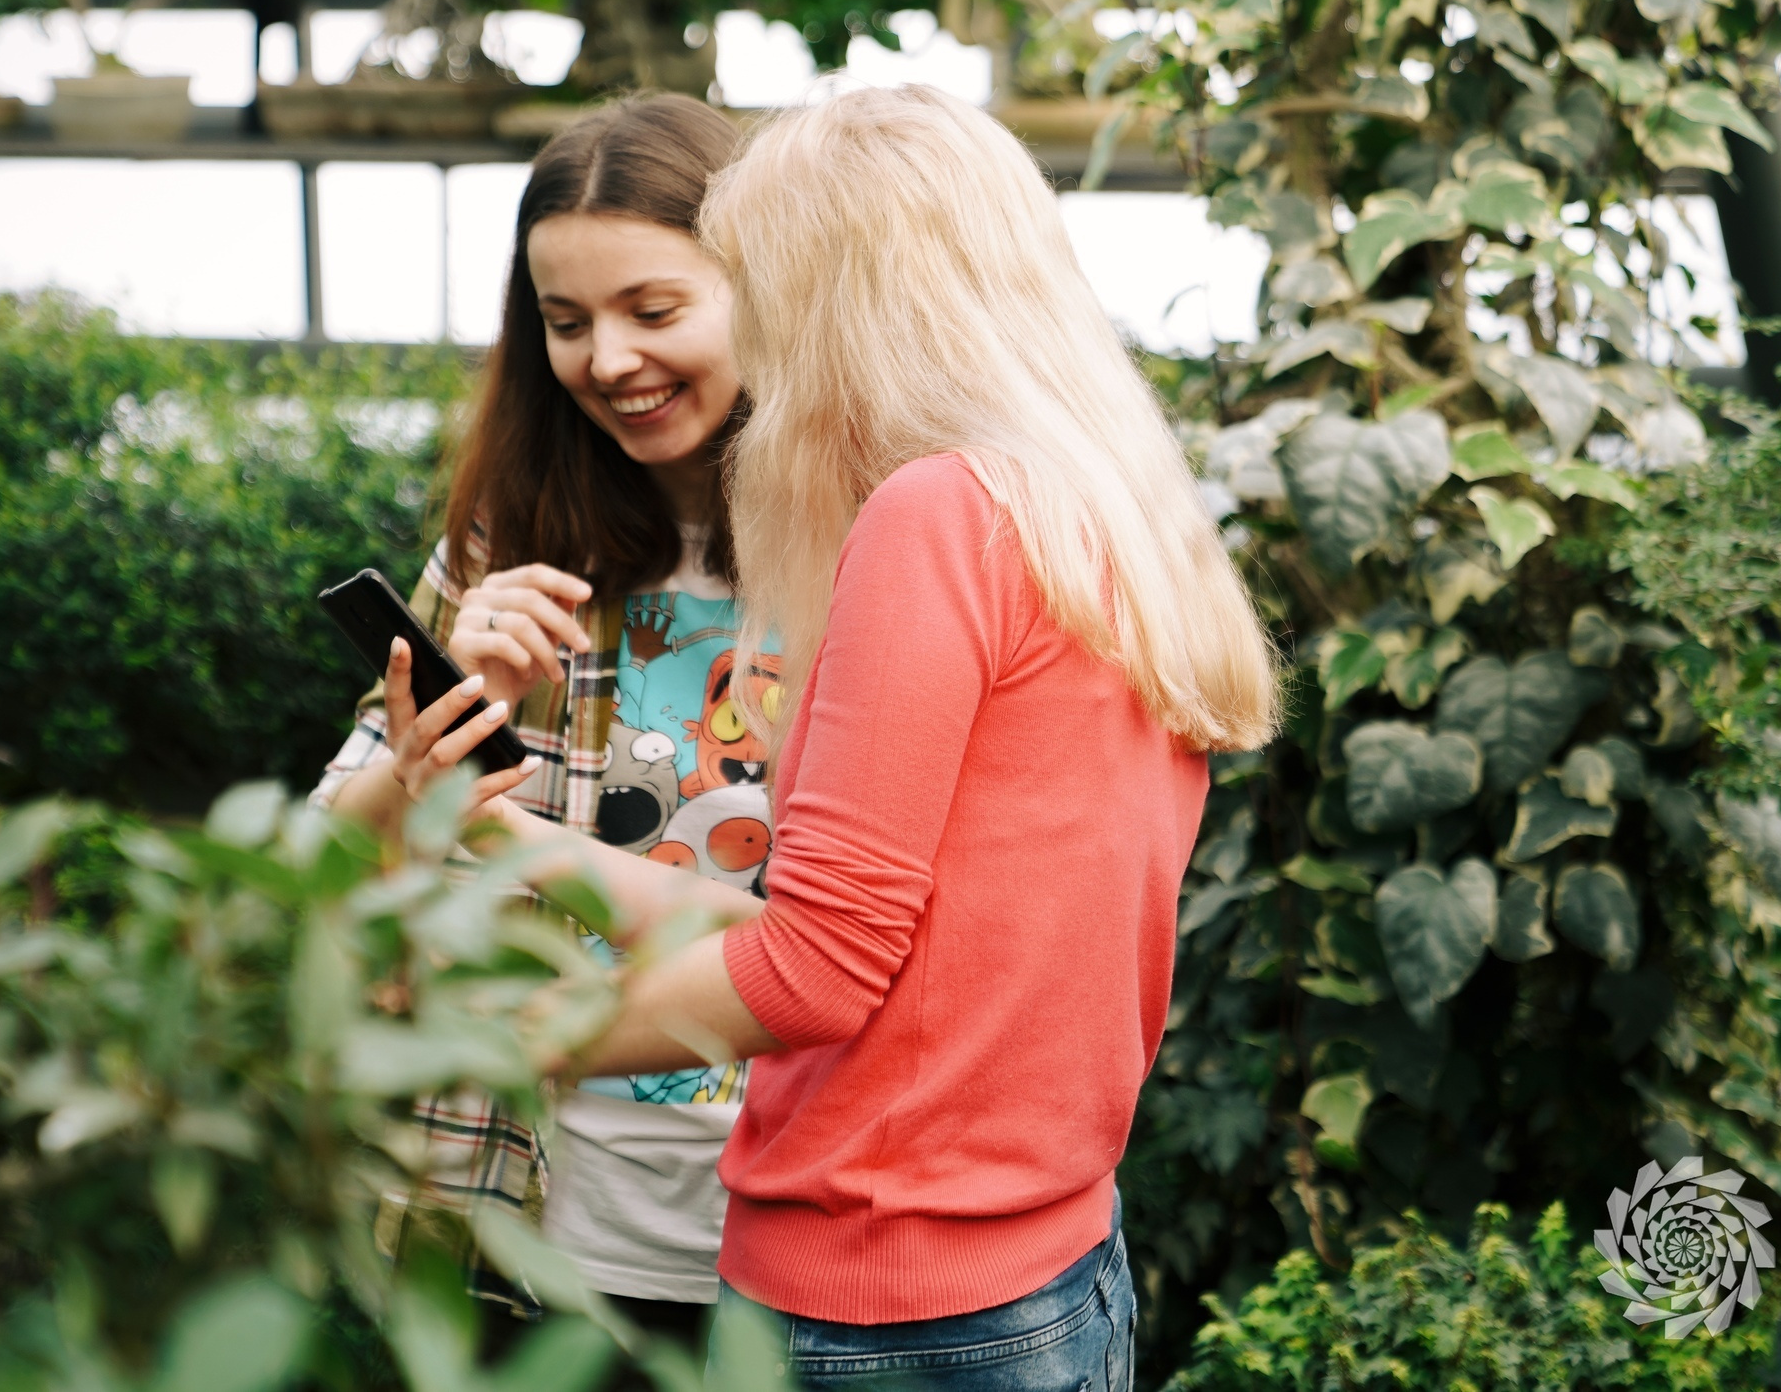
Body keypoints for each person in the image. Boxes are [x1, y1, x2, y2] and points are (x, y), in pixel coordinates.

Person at [453, 84, 1279, 1389]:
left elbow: (815, 969)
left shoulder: (936, 515)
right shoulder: (1099, 515)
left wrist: (506, 1038)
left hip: (881, 1296)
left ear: (836, 298)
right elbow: (881, 939)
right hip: (1049, 1259)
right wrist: (525, 844)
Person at [311, 92, 772, 1352]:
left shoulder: (879, 548)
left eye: (653, 311)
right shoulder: (505, 556)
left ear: (767, 287)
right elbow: (323, 873)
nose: (608, 360)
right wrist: (439, 738)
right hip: (537, 1235)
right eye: (566, 323)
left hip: (805, 1238)